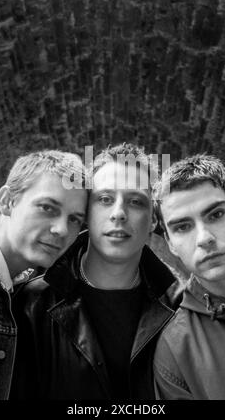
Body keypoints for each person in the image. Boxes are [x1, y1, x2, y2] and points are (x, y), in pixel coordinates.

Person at [10, 143, 182, 400]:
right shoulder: (29, 304)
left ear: (154, 220)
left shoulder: (182, 305)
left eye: (135, 201)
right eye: (104, 199)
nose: (119, 214)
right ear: (87, 214)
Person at [0, 150, 87, 400]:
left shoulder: (21, 292)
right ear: (7, 201)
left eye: (75, 219)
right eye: (47, 207)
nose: (61, 229)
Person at [153, 153, 225, 400]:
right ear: (170, 244)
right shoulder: (175, 350)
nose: (204, 238)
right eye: (183, 227)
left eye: (215, 215)